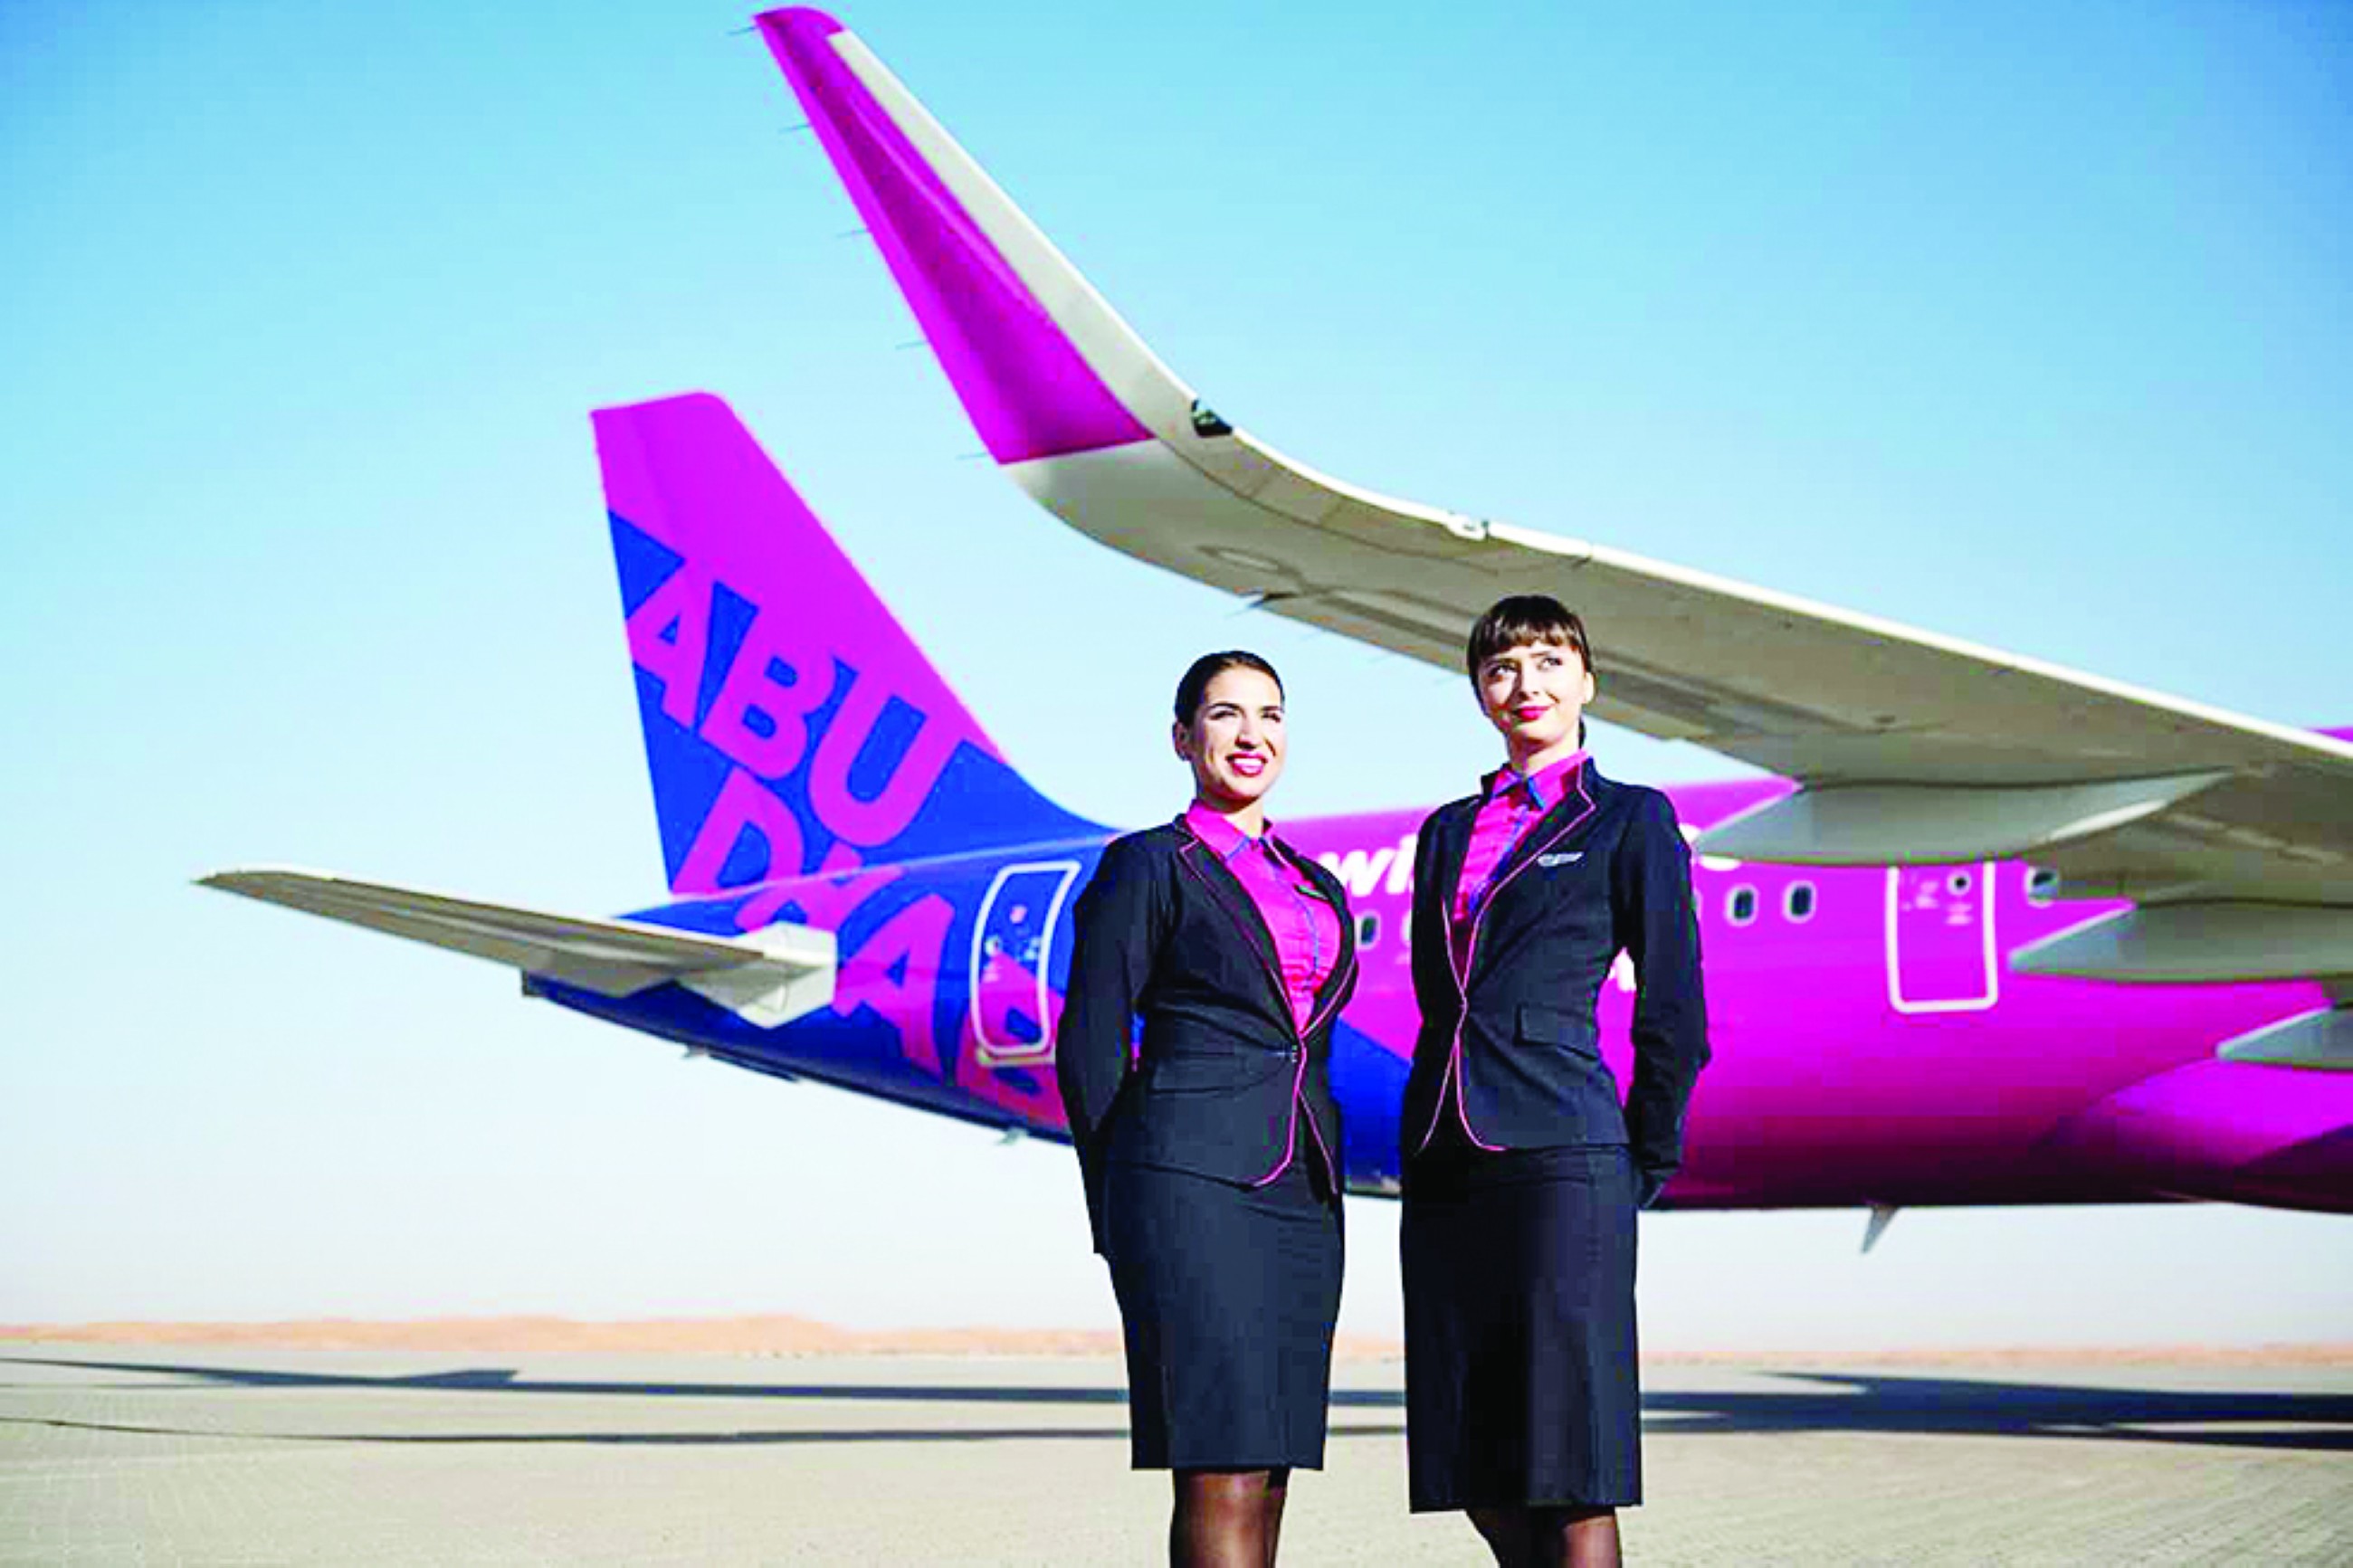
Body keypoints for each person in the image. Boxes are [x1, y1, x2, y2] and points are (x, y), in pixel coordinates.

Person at [1398, 595, 1710, 1568]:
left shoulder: (1629, 818)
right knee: (1471, 1455)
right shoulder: (1446, 830)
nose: (1524, 683)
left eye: (1547, 660)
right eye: (1500, 667)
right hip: (1446, 1158)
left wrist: (1641, 1156)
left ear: (1586, 682)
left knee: (1570, 1465)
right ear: (1479, 692)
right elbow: (1440, 994)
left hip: (1564, 1153)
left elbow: (1674, 1007)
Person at [1055, 651, 1358, 1568]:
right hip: (1188, 1184)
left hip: (1301, 1193)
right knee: (1219, 1461)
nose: (1251, 733)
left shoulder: (1317, 883)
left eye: (1270, 713)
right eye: (1225, 714)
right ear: (1183, 738)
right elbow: (1089, 1045)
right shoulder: (1148, 864)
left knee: (1270, 1465)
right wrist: (1117, 1203)